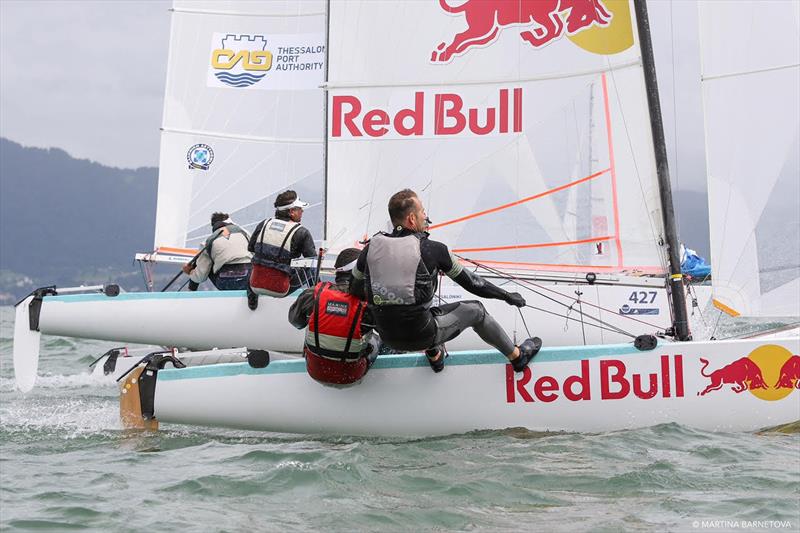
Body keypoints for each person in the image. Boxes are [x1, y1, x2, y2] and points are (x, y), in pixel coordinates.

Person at [351, 189, 541, 373]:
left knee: (418, 312)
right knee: (477, 311)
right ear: (411, 218)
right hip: (423, 335)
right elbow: (473, 283)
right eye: (422, 211)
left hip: (387, 336)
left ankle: (435, 357)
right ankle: (518, 357)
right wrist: (506, 295)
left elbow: (354, 288)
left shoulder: (369, 250)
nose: (425, 216)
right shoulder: (434, 249)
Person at [288, 248, 379, 386]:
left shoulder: (313, 294)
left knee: (311, 326)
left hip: (315, 372)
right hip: (351, 376)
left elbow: (296, 322)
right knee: (378, 338)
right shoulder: (370, 302)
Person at [248, 190, 317, 309]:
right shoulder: (302, 232)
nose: (302, 211)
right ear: (291, 212)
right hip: (280, 289)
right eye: (299, 209)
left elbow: (251, 248)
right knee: (312, 269)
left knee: (254, 262)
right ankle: (318, 301)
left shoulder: (264, 224)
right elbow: (312, 262)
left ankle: (252, 301)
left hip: (255, 284)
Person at [182, 212, 252, 291]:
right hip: (248, 279)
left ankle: (191, 291)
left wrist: (191, 272)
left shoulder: (207, 242)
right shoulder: (246, 234)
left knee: (207, 265)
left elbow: (200, 276)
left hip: (225, 282)